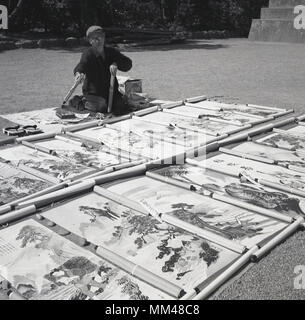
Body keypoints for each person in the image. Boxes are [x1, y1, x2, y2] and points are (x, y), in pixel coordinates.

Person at [74, 26, 133, 116]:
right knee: (102, 107)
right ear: (90, 41)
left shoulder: (111, 52)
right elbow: (82, 65)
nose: (99, 40)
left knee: (120, 106)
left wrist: (116, 63)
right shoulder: (88, 54)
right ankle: (80, 100)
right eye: (96, 38)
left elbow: (128, 64)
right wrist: (78, 73)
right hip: (93, 93)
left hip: (111, 91)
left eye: (101, 36)